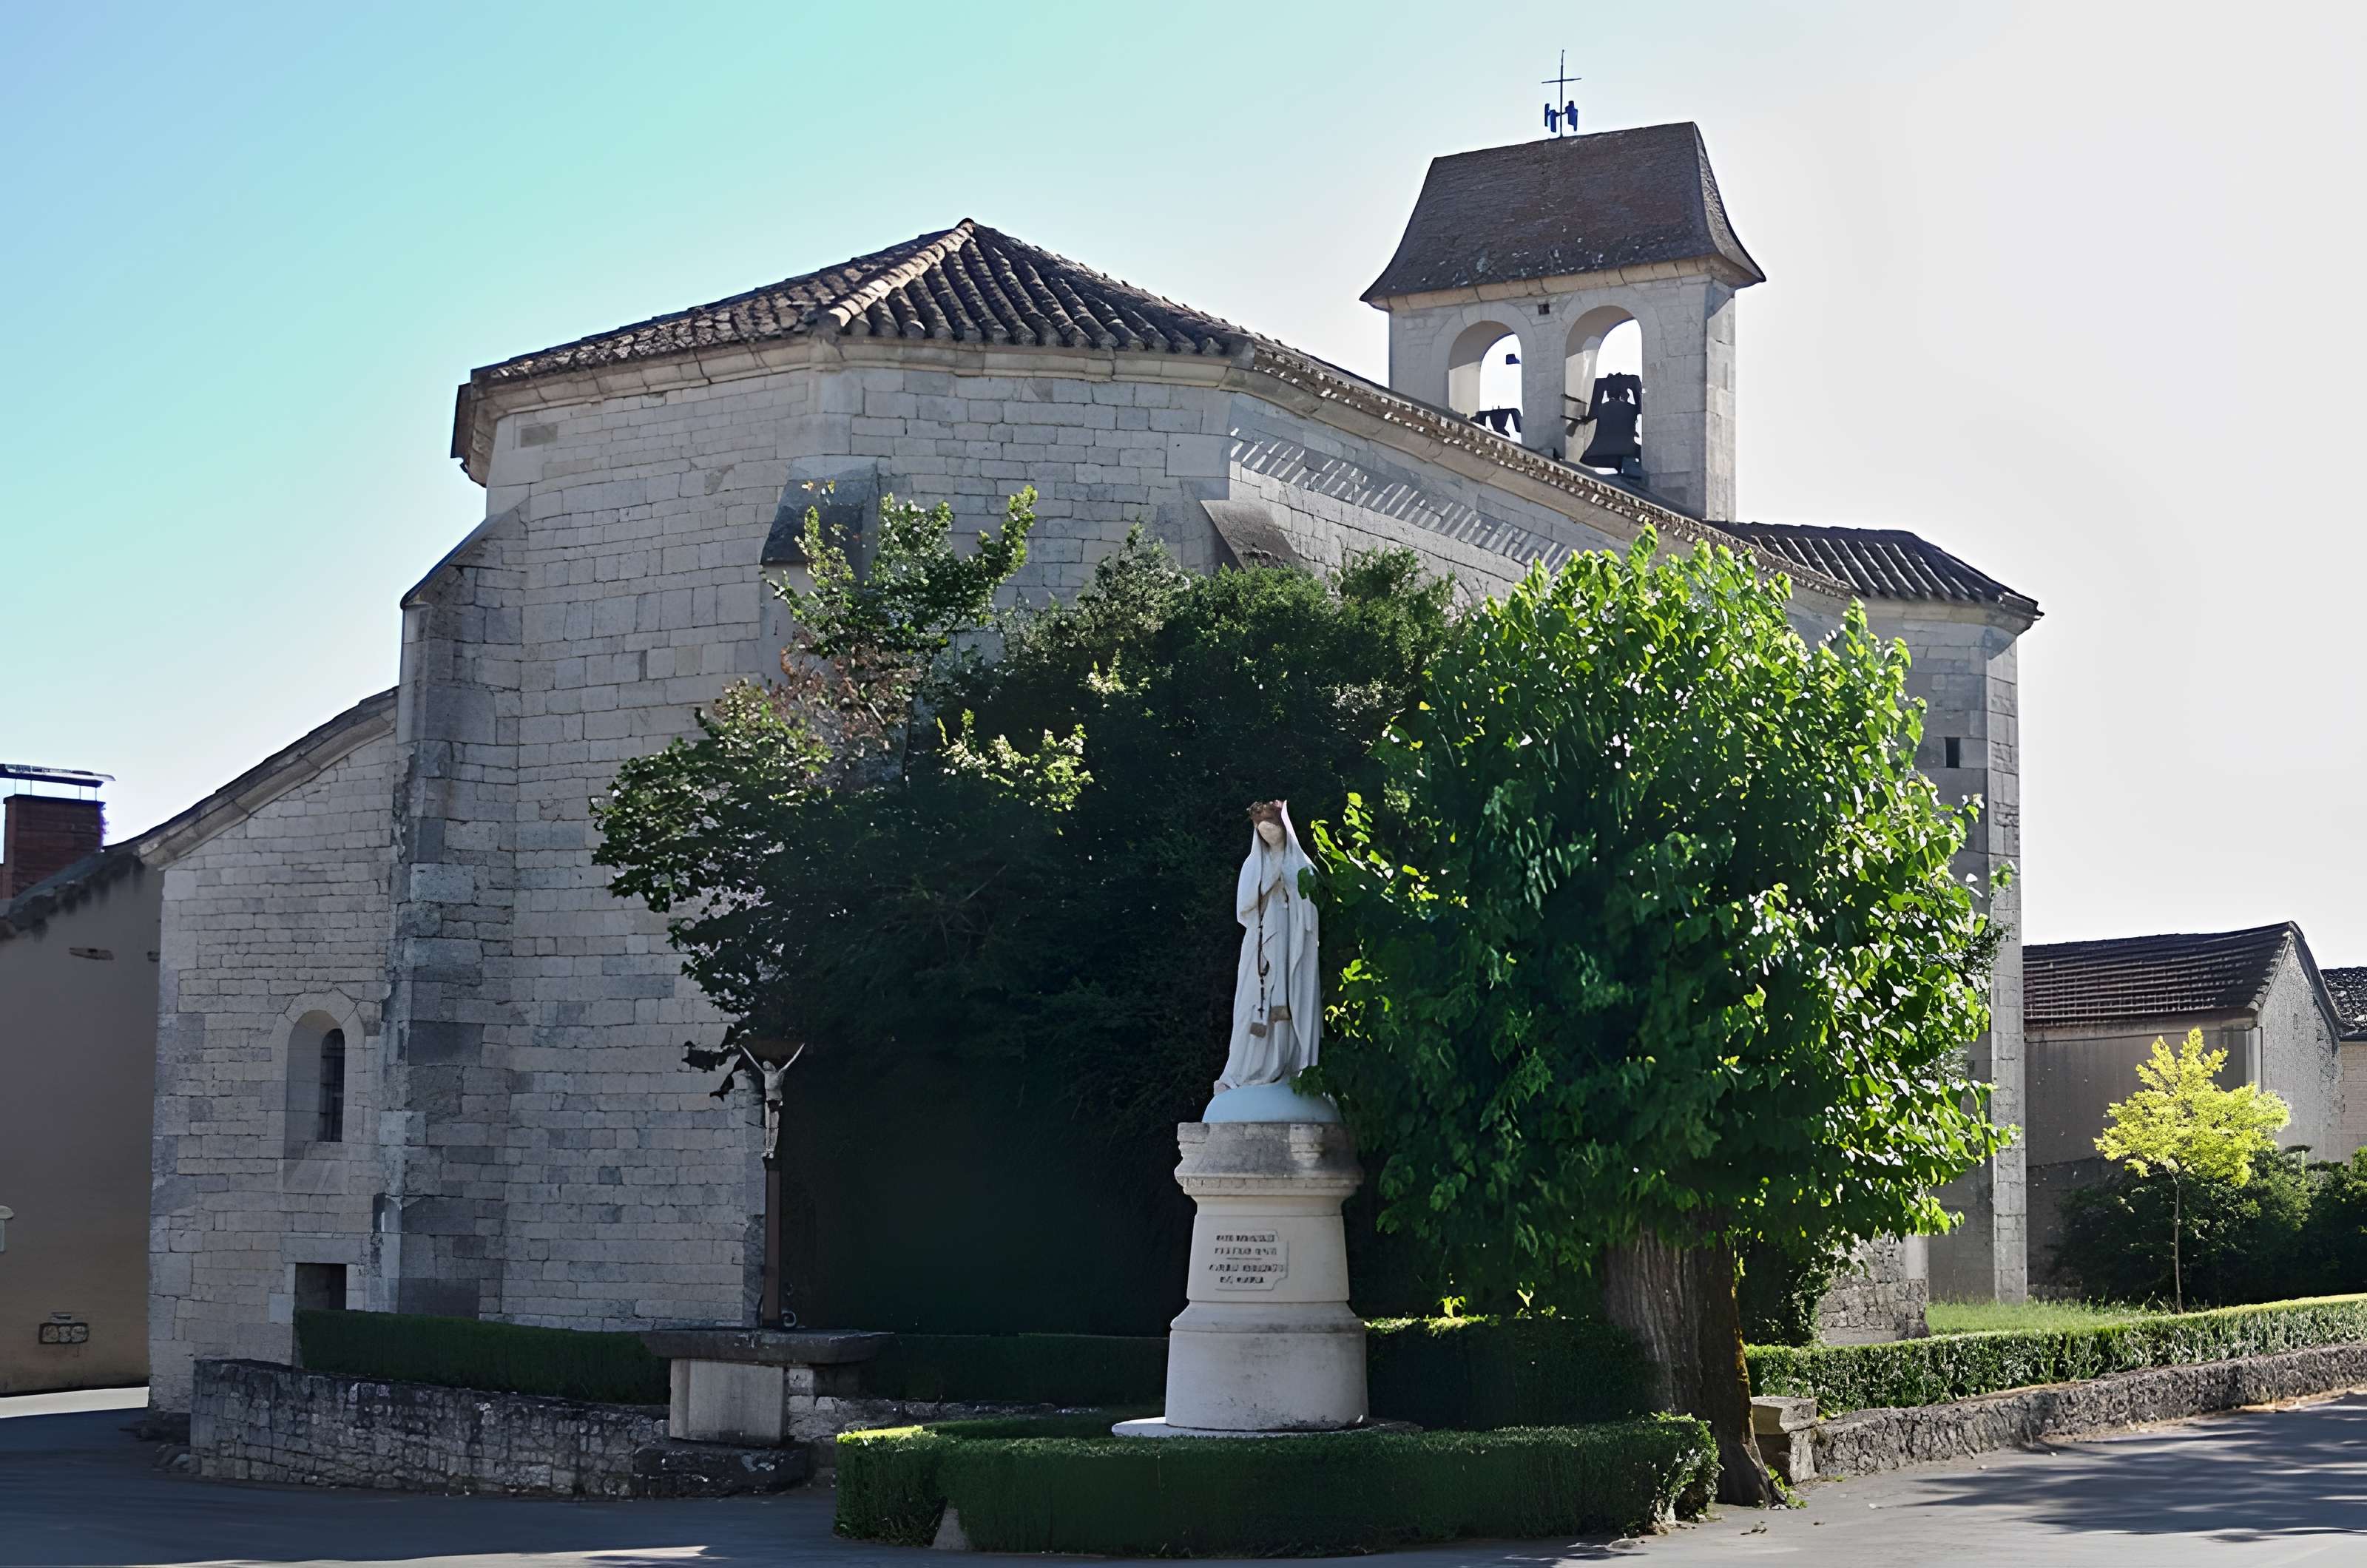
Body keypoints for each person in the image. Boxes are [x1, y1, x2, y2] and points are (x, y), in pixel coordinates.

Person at [1215, 799, 1322, 1095]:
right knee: (1251, 1002)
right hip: (1260, 944)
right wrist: (1268, 884)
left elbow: (1312, 909)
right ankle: (1244, 1070)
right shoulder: (1254, 864)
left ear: (1284, 829)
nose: (1268, 835)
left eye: (1272, 829)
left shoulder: (1300, 864)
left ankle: (1289, 1065)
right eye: (1263, 831)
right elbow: (1244, 909)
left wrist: (1289, 888)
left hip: (1292, 944)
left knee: (1291, 1001)